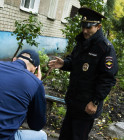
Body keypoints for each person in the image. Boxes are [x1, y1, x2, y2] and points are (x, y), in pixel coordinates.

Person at [48, 7, 118, 140]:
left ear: (98, 26)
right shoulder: (82, 43)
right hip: (74, 101)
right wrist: (64, 64)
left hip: (87, 106)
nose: (85, 31)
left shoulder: (105, 48)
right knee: (65, 136)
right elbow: (74, 62)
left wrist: (95, 101)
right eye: (83, 26)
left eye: (89, 27)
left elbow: (107, 79)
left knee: (78, 137)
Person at [0, 49, 47, 140]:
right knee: (42, 135)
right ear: (35, 68)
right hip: (0, 137)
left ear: (15, 59)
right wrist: (36, 82)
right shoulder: (35, 82)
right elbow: (36, 125)